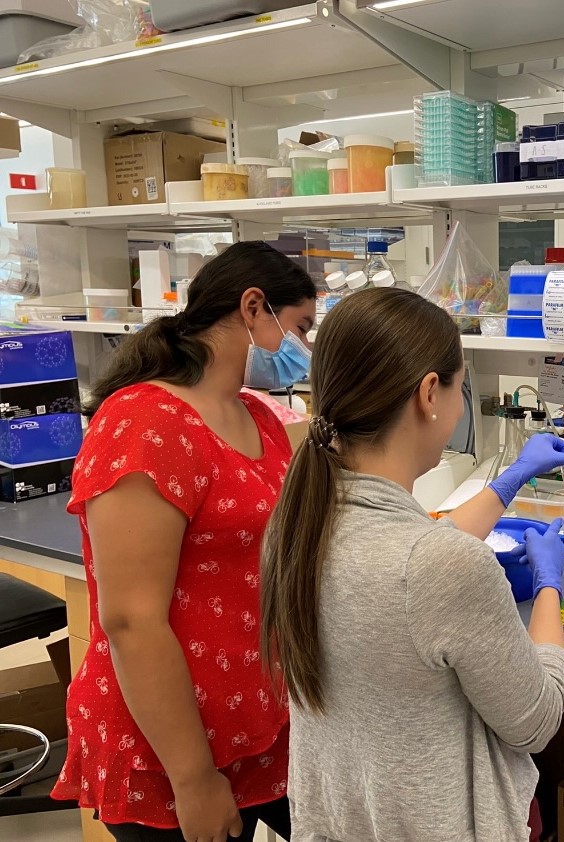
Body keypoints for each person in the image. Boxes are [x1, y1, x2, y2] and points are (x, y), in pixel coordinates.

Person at [259, 287, 564, 842]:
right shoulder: (439, 567)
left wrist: (509, 481)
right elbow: (536, 720)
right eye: (460, 386)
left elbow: (407, 557)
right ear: (429, 392)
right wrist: (552, 584)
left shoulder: (294, 524)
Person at [52, 241, 317, 841]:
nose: (302, 350)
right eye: (299, 327)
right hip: (170, 747)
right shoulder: (143, 424)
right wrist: (193, 777)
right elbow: (131, 622)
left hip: (254, 725)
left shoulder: (258, 417)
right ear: (253, 308)